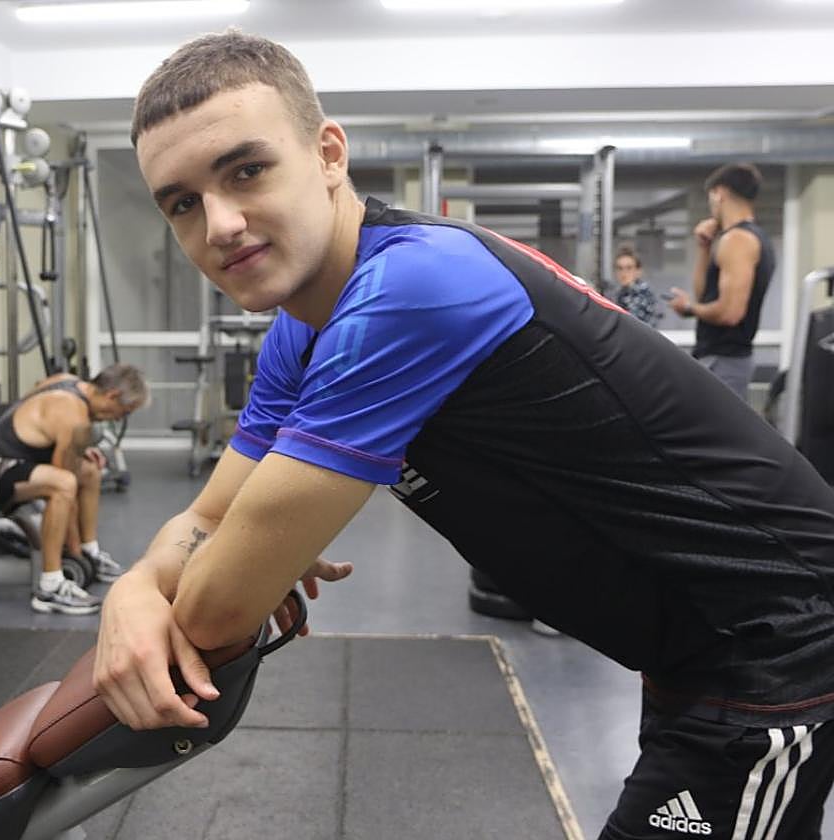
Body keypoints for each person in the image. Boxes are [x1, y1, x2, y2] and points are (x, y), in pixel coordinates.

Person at [92, 30, 834, 840]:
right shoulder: (301, 334)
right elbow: (206, 519)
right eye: (183, 203)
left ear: (328, 153)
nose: (222, 224)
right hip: (693, 644)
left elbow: (215, 611)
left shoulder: (413, 288)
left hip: (779, 638)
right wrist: (132, 589)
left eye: (247, 170)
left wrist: (201, 578)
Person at [0, 363, 147, 614]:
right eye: (123, 412)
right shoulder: (74, 416)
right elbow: (65, 486)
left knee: (90, 471)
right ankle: (50, 586)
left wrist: (75, 447)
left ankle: (90, 550)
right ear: (112, 395)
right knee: (64, 484)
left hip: (18, 459)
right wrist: (74, 557)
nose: (119, 419)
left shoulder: (69, 382)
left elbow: (38, 408)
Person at [667, 163, 776, 401]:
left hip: (725, 361)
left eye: (711, 198)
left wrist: (688, 308)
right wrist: (705, 247)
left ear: (719, 193)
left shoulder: (738, 240)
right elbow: (705, 294)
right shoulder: (742, 238)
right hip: (720, 359)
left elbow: (730, 313)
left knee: (712, 437)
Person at [613, 246, 660, 326]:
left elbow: (632, 325)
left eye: (629, 268)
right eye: (620, 268)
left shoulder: (644, 294)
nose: (624, 273)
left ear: (638, 271)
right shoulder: (618, 294)